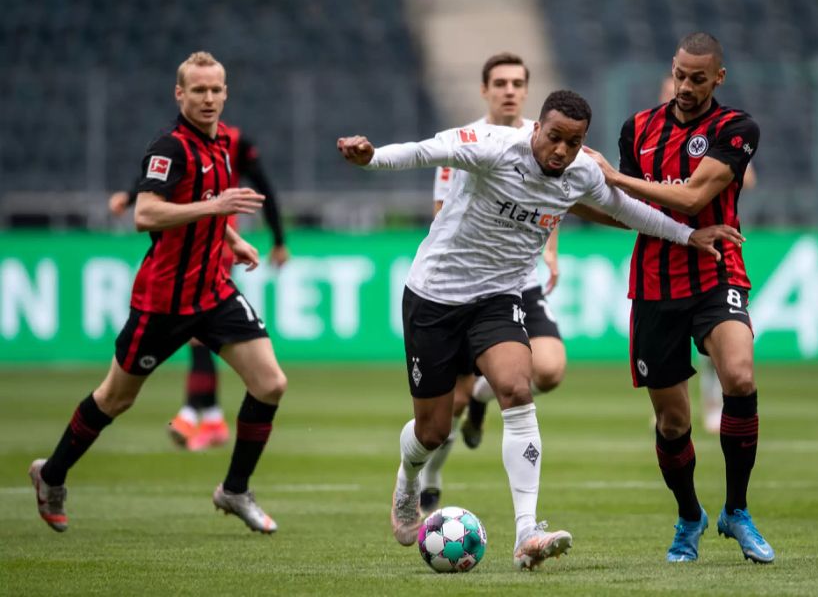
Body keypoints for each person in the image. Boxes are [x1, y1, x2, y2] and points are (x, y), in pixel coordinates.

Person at [337, 89, 743, 569]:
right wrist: (372, 158)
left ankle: (526, 531)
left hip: (499, 297)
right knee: (433, 429)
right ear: (536, 128)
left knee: (516, 388)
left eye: (573, 143)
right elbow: (429, 150)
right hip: (435, 296)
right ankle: (408, 480)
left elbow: (625, 209)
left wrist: (687, 235)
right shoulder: (493, 146)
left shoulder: (581, 171)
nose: (561, 151)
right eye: (554, 138)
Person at [28, 51, 286, 534]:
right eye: (198, 91)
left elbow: (205, 204)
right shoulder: (170, 148)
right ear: (180, 94)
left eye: (215, 90)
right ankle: (52, 474)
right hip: (163, 303)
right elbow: (146, 214)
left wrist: (233, 238)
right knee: (114, 399)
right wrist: (218, 211)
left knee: (270, 383)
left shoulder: (221, 147)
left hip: (213, 291)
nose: (208, 98)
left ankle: (234, 490)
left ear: (225, 92)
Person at [588, 32, 775, 563]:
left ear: (719, 77)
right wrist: (566, 199)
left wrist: (618, 180)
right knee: (672, 422)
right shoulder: (638, 128)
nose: (686, 87)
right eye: (679, 75)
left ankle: (736, 510)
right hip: (654, 284)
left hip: (718, 271)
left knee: (739, 375)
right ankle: (689, 515)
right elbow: (624, 211)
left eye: (698, 78)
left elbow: (694, 195)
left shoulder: (736, 129)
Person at [419, 53, 568, 516]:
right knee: (451, 405)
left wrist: (549, 249)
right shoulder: (466, 143)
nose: (509, 90)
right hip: (468, 287)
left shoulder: (545, 139)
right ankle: (430, 475)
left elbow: (556, 194)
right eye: (500, 82)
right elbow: (443, 213)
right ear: (485, 90)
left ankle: (488, 394)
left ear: (527, 91)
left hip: (517, 284)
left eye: (517, 83)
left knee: (549, 370)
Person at [109, 122, 289, 451]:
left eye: (214, 90)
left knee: (197, 334)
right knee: (199, 338)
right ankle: (206, 416)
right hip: (202, 240)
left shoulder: (231, 143)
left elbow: (265, 188)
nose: (208, 98)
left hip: (212, 244)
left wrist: (279, 240)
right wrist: (131, 193)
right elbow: (161, 181)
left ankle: (199, 414)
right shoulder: (186, 145)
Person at [657, 75, 757, 435]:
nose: (678, 95)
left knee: (720, 349)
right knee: (663, 352)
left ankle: (713, 402)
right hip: (663, 256)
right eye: (669, 91)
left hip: (714, 252)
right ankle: (671, 409)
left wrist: (709, 177)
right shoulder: (652, 136)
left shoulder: (719, 135)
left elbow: (747, 178)